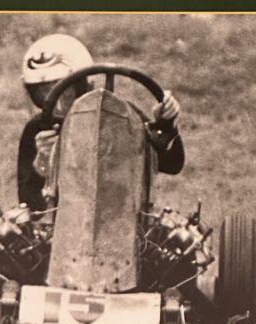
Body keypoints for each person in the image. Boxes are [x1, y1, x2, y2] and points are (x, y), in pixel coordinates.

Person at [17, 33, 184, 211]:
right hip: (62, 220)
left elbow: (172, 164)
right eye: (44, 93)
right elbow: (29, 203)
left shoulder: (121, 116)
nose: (56, 103)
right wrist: (42, 162)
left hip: (124, 214)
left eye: (64, 90)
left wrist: (165, 124)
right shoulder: (39, 129)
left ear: (84, 84)